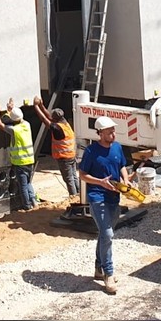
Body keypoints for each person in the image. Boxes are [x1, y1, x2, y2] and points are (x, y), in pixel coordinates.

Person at [79, 115, 131, 293]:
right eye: (110, 132)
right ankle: (109, 274)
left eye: (113, 131)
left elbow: (122, 165)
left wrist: (125, 179)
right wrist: (100, 182)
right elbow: (82, 175)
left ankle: (98, 268)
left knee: (104, 234)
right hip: (97, 197)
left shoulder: (117, 147)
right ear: (100, 133)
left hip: (114, 197)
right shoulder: (91, 152)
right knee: (108, 234)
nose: (113, 134)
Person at [31, 97, 79, 199]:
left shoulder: (57, 129)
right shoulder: (64, 123)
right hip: (72, 155)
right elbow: (49, 116)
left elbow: (45, 119)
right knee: (74, 176)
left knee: (69, 179)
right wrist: (41, 105)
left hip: (64, 157)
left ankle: (73, 197)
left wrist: (35, 106)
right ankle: (79, 194)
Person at [0, 99, 37, 209]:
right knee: (28, 183)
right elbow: (17, 119)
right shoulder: (27, 125)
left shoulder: (14, 130)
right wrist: (10, 110)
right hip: (30, 160)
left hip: (20, 162)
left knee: (23, 185)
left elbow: (0, 124)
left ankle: (27, 206)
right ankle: (34, 201)